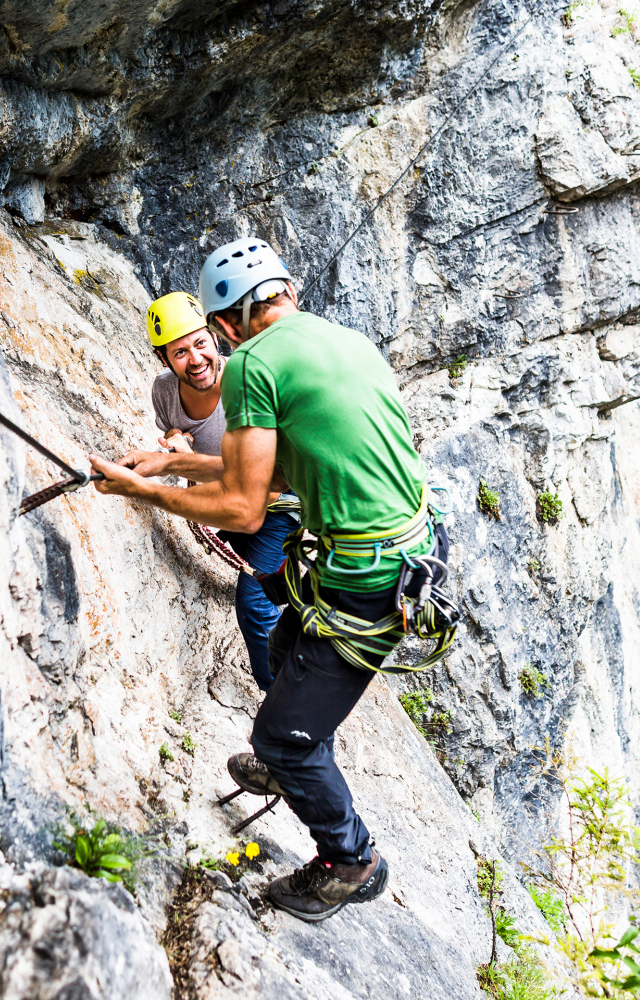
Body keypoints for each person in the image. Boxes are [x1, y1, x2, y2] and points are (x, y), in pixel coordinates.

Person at [89, 237, 452, 922]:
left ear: (225, 326)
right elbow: (280, 475)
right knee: (285, 633)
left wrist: (143, 491)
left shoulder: (251, 364)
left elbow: (242, 506)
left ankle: (348, 860)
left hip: (366, 575)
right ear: (285, 290)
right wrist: (164, 468)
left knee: (280, 737)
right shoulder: (346, 342)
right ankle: (298, 760)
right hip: (405, 549)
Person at [117, 290, 298, 692]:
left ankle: (282, 704)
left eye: (200, 344)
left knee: (255, 605)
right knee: (273, 587)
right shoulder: (164, 391)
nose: (195, 360)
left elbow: (269, 481)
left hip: (277, 503)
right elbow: (174, 428)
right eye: (179, 353)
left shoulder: (247, 382)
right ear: (164, 359)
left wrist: (181, 467)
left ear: (216, 338)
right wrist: (177, 438)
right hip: (229, 499)